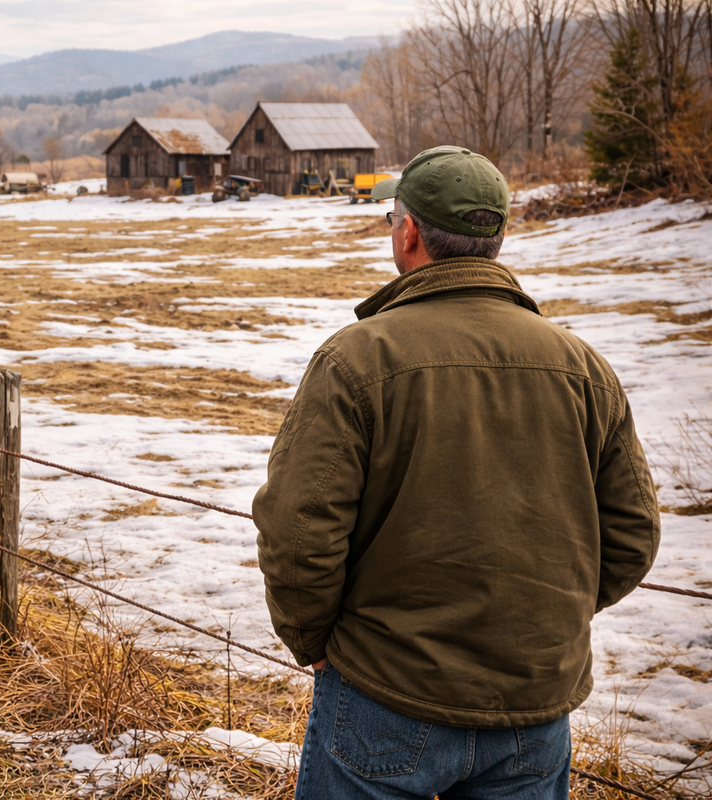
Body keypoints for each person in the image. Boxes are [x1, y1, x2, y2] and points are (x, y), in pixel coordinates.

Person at [253, 145, 659, 799]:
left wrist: (313, 643)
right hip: (532, 706)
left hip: (385, 692)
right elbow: (634, 534)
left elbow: (299, 530)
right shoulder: (582, 366)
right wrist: (542, 622)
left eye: (393, 218)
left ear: (409, 232)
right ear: (495, 237)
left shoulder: (357, 359)